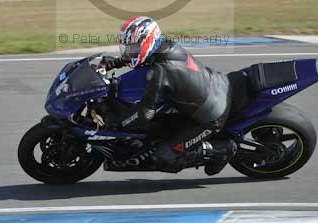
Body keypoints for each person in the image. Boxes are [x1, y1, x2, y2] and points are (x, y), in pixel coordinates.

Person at [100, 15, 237, 173]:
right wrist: (115, 62)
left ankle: (223, 149)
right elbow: (142, 57)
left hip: (211, 116)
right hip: (216, 85)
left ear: (148, 42)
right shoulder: (165, 46)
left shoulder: (159, 72)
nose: (129, 51)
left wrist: (119, 125)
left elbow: (145, 114)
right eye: (127, 48)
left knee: (164, 157)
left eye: (132, 47)